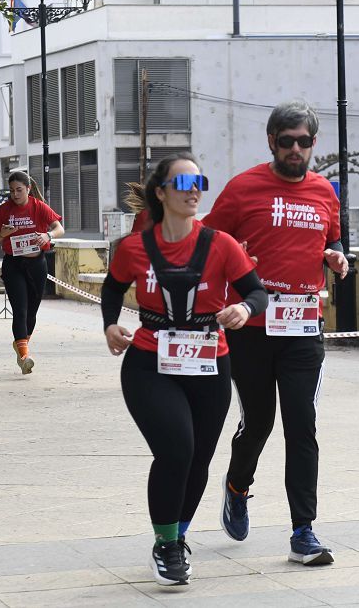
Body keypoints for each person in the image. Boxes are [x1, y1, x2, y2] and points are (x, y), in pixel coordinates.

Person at [102, 153, 267, 586]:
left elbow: (256, 293)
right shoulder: (136, 247)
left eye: (199, 183)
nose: (193, 191)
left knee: (198, 460)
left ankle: (178, 535)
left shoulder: (221, 245)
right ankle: (166, 545)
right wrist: (110, 325)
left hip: (210, 363)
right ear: (161, 193)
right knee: (176, 449)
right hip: (149, 363)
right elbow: (112, 287)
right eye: (182, 183)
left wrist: (243, 308)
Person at [204, 98, 348, 566]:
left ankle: (303, 530)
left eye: (304, 142)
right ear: (271, 141)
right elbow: (205, 243)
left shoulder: (324, 191)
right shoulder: (243, 188)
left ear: (313, 143)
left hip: (303, 328)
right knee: (260, 422)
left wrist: (336, 256)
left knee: (302, 425)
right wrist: (234, 255)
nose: (295, 150)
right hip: (251, 327)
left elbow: (332, 238)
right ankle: (237, 485)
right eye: (287, 141)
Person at [0, 171, 64, 374]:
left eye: (19, 190)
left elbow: (59, 228)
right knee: (20, 310)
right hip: (13, 264)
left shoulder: (38, 207)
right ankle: (24, 356)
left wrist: (47, 235)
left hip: (37, 264)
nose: (15, 194)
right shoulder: (5, 209)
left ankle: (21, 345)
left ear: (28, 189)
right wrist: (2, 234)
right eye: (12, 191)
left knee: (32, 312)